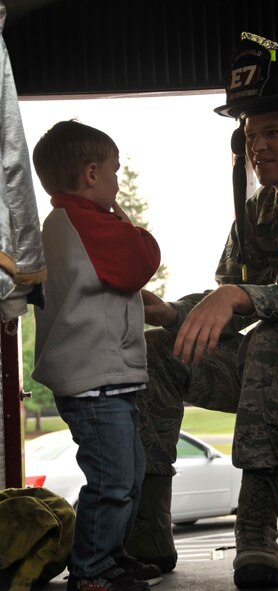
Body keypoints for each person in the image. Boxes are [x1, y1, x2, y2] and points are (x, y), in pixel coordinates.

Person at [124, 32, 278, 589]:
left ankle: (254, 537)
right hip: (268, 370)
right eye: (250, 135)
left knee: (272, 338)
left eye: (273, 131)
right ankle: (147, 534)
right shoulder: (258, 212)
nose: (257, 146)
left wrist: (243, 298)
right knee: (158, 354)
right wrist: (173, 313)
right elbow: (231, 293)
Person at [31, 120, 162, 591]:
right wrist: (123, 215)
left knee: (127, 474)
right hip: (94, 382)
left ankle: (113, 555)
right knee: (111, 480)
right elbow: (143, 258)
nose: (117, 182)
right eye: (114, 172)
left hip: (103, 378)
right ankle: (90, 569)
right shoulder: (85, 221)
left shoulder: (69, 221)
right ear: (90, 175)